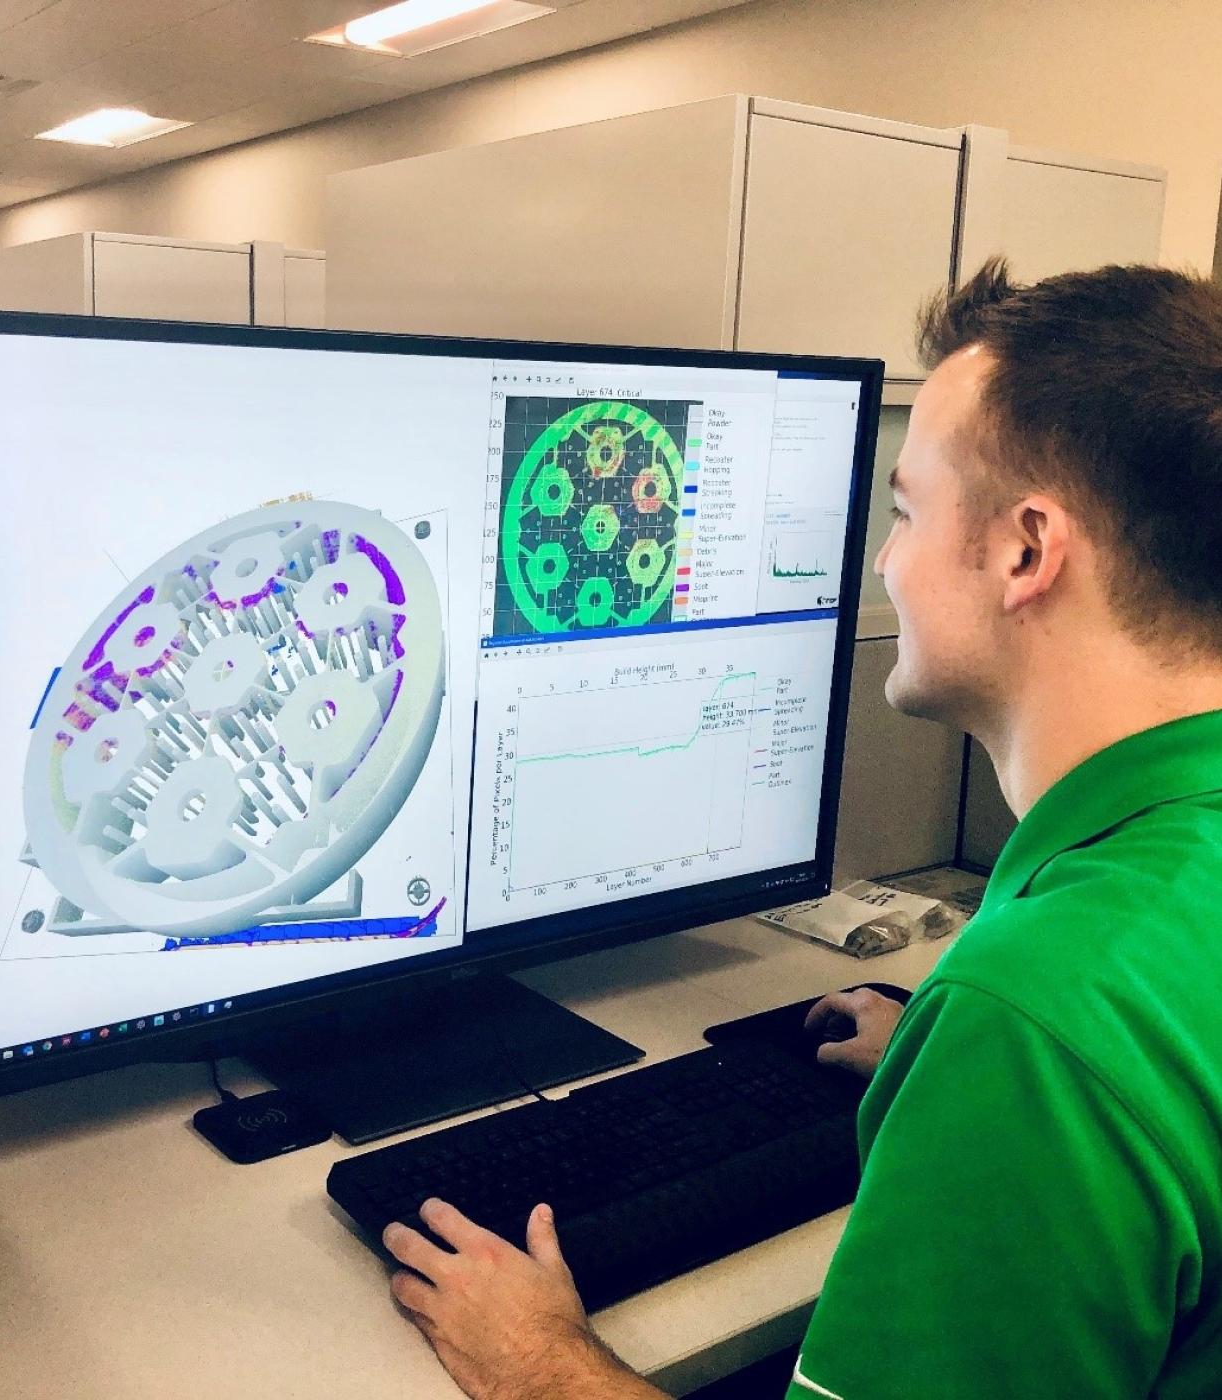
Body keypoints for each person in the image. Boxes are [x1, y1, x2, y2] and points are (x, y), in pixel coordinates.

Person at [381, 260, 1222, 1399]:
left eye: (906, 511)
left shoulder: (1037, 1016)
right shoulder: (1141, 915)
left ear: (1026, 550)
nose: (882, 561)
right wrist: (952, 1077)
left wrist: (538, 1362)